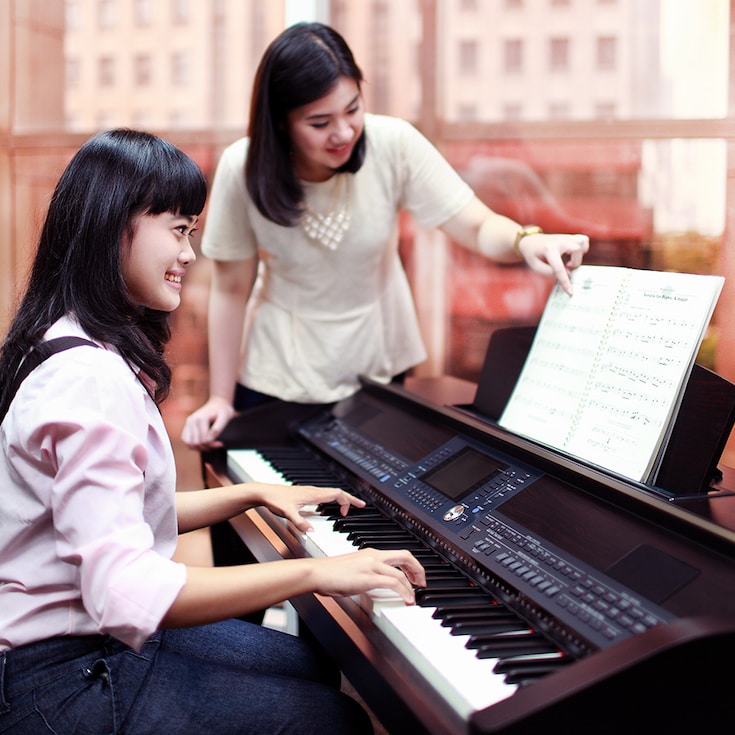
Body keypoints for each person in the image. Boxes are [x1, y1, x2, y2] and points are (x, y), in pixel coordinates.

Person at [0, 129, 426, 735]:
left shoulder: (68, 340)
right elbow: (124, 591)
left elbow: (111, 517)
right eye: (179, 230)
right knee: (332, 720)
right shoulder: (87, 379)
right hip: (57, 679)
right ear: (114, 226)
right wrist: (317, 572)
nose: (189, 253)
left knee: (308, 662)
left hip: (75, 641)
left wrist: (248, 494)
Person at [181, 21, 590, 453]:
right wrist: (220, 397)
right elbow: (230, 288)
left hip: (375, 367)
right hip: (277, 374)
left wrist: (526, 240)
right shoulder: (242, 166)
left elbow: (476, 225)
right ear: (281, 122)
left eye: (353, 109)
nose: (343, 132)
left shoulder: (393, 143)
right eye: (320, 122)